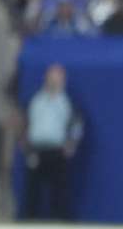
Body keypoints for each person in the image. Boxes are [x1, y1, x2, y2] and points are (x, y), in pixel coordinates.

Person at [19, 63, 83, 221]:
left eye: (57, 79)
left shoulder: (67, 102)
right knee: (32, 190)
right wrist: (26, 148)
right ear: (46, 79)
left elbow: (76, 125)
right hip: (37, 150)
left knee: (59, 189)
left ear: (63, 81)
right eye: (51, 78)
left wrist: (72, 144)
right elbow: (24, 124)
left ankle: (59, 221)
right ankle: (29, 220)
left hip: (57, 150)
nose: (54, 82)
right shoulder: (36, 101)